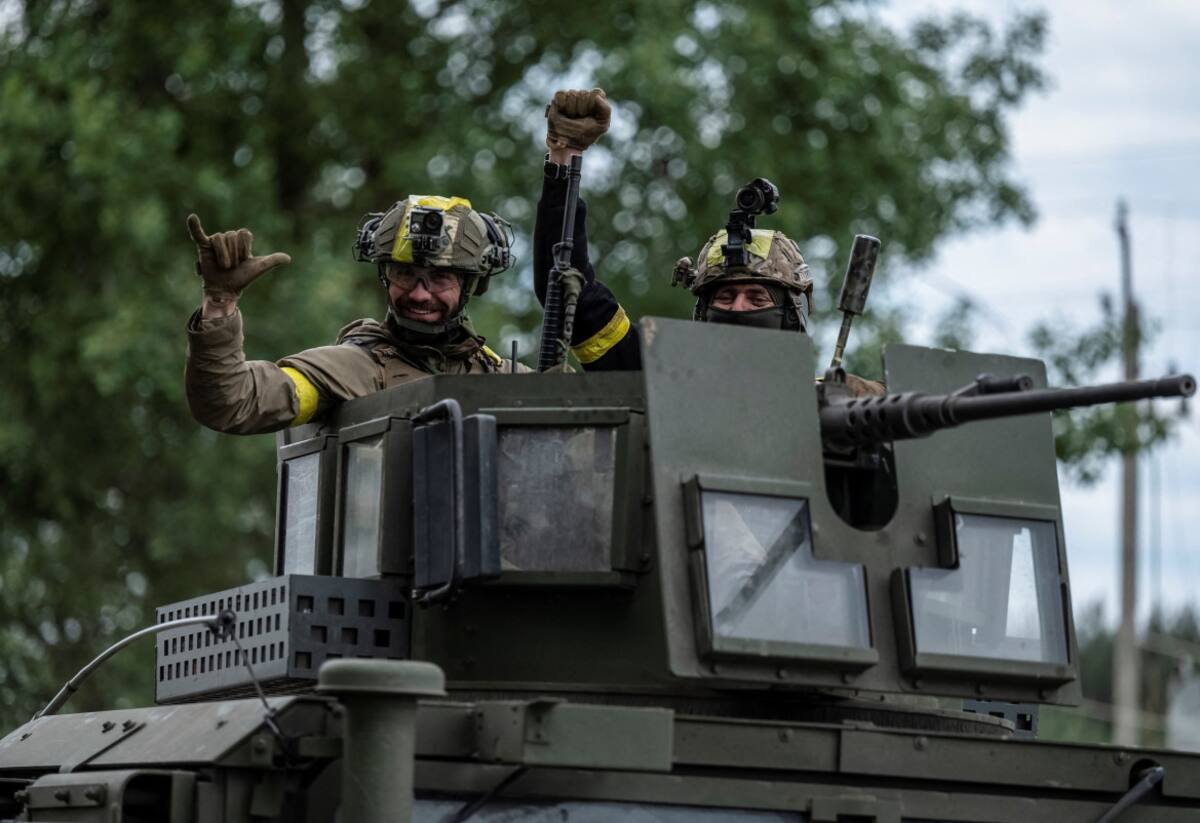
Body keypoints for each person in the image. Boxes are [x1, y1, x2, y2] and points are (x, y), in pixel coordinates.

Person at [535, 89, 883, 395]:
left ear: (793, 316)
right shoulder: (663, 383)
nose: (738, 309)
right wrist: (566, 155)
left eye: (757, 297)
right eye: (726, 297)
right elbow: (570, 295)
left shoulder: (831, 405)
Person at [185, 195, 519, 435]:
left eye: (440, 278)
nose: (419, 293)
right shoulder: (349, 372)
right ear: (385, 275)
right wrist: (219, 299)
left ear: (472, 285)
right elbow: (231, 404)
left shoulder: (505, 378)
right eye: (404, 274)